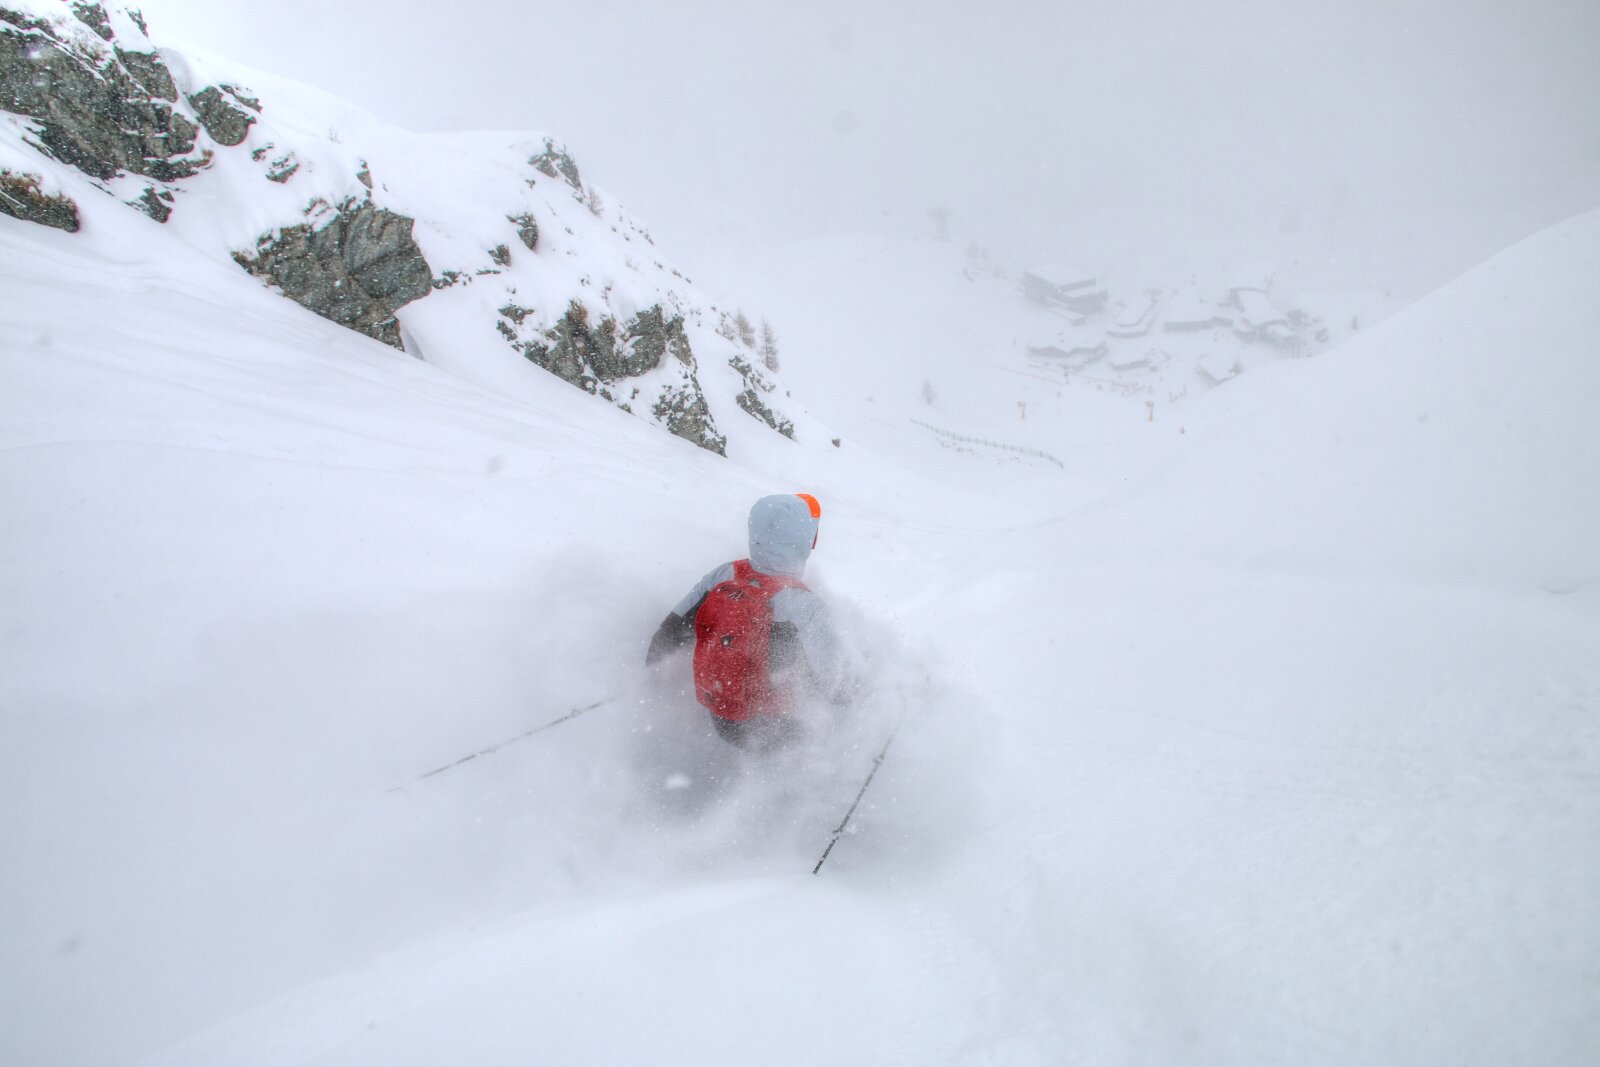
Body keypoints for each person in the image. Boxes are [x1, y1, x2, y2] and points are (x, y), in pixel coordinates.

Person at [647, 493, 845, 746]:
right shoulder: (805, 605)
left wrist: (648, 681)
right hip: (775, 725)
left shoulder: (724, 574)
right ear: (804, 542)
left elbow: (671, 631)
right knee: (822, 737)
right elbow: (832, 678)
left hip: (720, 713)